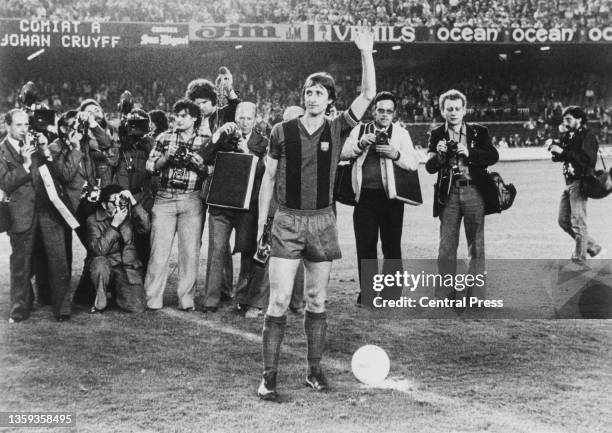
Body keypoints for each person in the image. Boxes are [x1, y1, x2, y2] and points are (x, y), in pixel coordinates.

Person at [255, 27, 376, 401]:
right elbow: (268, 180)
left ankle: (314, 371)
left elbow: (369, 94)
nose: (312, 97)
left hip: (323, 221)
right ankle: (268, 377)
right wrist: (265, 224)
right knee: (277, 301)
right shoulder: (281, 130)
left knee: (317, 301)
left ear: (330, 101)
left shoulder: (338, 128)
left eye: (319, 92)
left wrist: (366, 52)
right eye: (308, 92)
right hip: (287, 220)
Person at [341, 91, 419, 306]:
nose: (384, 115)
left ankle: (391, 294)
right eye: (381, 110)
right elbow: (341, 153)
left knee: (392, 246)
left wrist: (395, 154)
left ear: (394, 114)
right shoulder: (359, 130)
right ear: (373, 110)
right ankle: (367, 292)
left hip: (391, 198)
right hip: (364, 197)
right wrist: (360, 144)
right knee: (365, 245)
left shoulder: (401, 134)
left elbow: (413, 163)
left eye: (389, 111)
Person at [425, 89, 499, 302]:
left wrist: (470, 153)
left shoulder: (479, 131)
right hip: (448, 194)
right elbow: (430, 167)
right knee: (447, 245)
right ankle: (444, 294)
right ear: (442, 111)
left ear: (464, 110)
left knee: (476, 245)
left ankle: (476, 295)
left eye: (458, 108)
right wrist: (439, 156)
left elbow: (493, 155)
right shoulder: (437, 133)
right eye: (449, 109)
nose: (454, 112)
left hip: (475, 191)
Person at [0, 109, 72, 322]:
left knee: (59, 261)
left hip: (48, 209)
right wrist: (24, 164)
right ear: (8, 126)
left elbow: (57, 174)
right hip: (20, 213)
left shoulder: (35, 143)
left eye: (26, 125)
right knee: (20, 265)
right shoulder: (1, 151)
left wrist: (46, 152)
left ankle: (63, 309)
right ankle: (19, 310)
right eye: (19, 125)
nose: (24, 130)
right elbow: (5, 183)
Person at [200, 101, 268, 313]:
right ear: (234, 117)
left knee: (247, 252)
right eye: (240, 117)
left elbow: (262, 172)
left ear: (256, 119)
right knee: (217, 250)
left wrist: (245, 149)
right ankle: (212, 299)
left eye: (249, 118)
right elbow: (203, 155)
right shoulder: (224, 135)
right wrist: (219, 133)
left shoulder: (263, 142)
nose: (244, 122)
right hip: (221, 204)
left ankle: (242, 298)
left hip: (248, 206)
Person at [144, 99, 208, 311]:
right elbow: (151, 166)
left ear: (194, 118)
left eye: (184, 116)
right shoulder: (164, 137)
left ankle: (186, 299)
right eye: (176, 116)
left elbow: (213, 170)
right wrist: (165, 157)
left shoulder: (205, 140)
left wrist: (199, 164)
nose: (178, 120)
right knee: (158, 252)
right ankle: (152, 298)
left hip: (192, 197)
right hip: (165, 197)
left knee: (190, 252)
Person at [186, 74, 239, 303]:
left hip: (219, 183)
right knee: (193, 238)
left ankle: (224, 288)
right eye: (196, 103)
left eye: (204, 102)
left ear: (213, 101)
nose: (200, 106)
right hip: (195, 185)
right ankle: (189, 287)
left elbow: (237, 108)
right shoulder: (190, 122)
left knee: (220, 241)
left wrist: (230, 90)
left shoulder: (223, 115)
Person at [549, 106, 602, 263]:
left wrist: (563, 152)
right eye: (564, 119)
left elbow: (588, 160)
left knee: (578, 222)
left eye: (569, 119)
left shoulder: (588, 136)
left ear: (579, 119)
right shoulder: (569, 135)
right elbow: (561, 157)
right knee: (563, 221)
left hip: (581, 181)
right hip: (570, 182)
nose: (565, 122)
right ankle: (592, 246)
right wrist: (554, 149)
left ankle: (579, 259)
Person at [86, 185, 150, 313]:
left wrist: (132, 200)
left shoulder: (129, 214)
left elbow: (146, 227)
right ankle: (100, 302)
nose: (119, 204)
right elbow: (99, 250)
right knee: (99, 263)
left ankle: (118, 293)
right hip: (106, 266)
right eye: (114, 201)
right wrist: (115, 224)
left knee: (137, 307)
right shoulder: (93, 220)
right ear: (104, 205)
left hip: (126, 267)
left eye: (121, 200)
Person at [115, 108, 156, 272]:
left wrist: (148, 143)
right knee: (121, 241)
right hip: (122, 197)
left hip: (142, 197)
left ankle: (143, 282)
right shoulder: (120, 145)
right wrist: (122, 134)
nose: (136, 127)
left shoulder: (151, 144)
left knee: (143, 241)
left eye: (140, 123)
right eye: (132, 123)